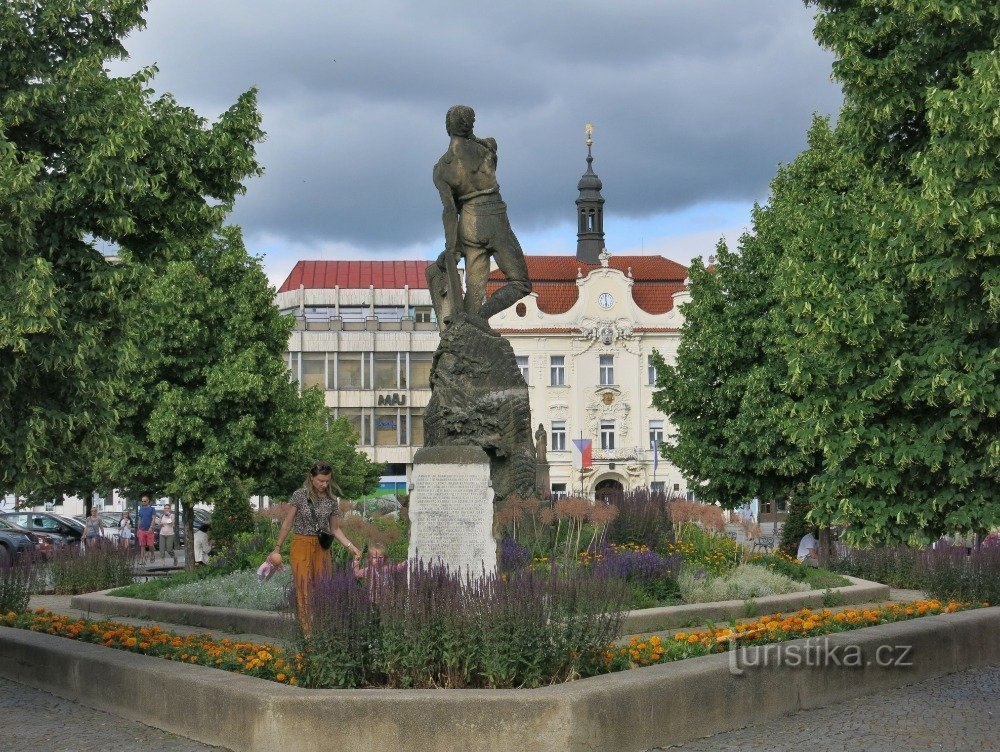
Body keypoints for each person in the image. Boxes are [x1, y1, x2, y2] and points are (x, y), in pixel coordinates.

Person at [426, 105, 531, 328]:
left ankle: (469, 324)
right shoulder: (487, 149)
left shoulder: (441, 169)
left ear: (448, 127)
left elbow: (450, 211)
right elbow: (489, 149)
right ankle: (481, 318)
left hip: (469, 223)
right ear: (471, 125)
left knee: (473, 291)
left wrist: (452, 248)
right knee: (521, 283)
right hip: (494, 217)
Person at [270, 462, 362, 624]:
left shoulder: (332, 501)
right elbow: (287, 523)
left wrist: (351, 546)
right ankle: (307, 634)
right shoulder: (299, 495)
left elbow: (335, 529)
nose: (324, 484)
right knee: (303, 588)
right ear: (312, 478)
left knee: (322, 587)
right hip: (301, 544)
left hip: (321, 547)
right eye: (321, 480)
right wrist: (277, 548)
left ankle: (321, 627)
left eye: (327, 481)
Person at [136, 496, 156, 565]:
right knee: (142, 546)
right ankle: (142, 560)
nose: (143, 502)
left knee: (150, 545)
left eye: (145, 501)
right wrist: (138, 529)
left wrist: (151, 527)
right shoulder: (141, 509)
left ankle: (152, 554)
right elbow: (139, 520)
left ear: (148, 501)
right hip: (142, 530)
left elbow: (153, 519)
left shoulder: (152, 509)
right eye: (142, 501)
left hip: (149, 530)